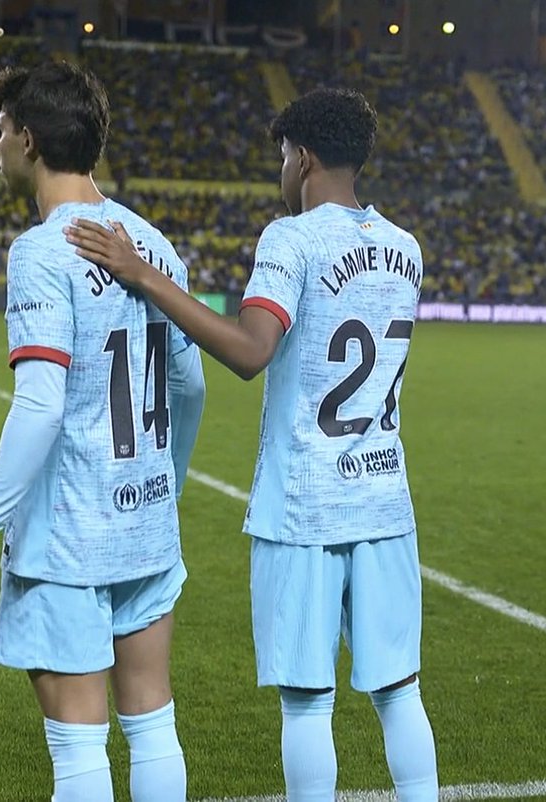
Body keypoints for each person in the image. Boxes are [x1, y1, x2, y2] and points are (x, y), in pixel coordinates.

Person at [65, 87, 438, 802]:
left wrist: (142, 274)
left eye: (281, 157)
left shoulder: (290, 239)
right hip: (385, 495)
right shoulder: (404, 247)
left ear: (302, 158)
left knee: (307, 701)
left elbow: (248, 351)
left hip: (305, 503)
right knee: (399, 691)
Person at [0, 61, 205, 802]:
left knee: (80, 749)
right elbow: (190, 384)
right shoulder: (155, 245)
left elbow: (41, 405)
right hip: (145, 523)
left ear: (28, 140)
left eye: (0, 134)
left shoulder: (41, 252)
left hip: (68, 538)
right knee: (154, 723)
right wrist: (167, 481)